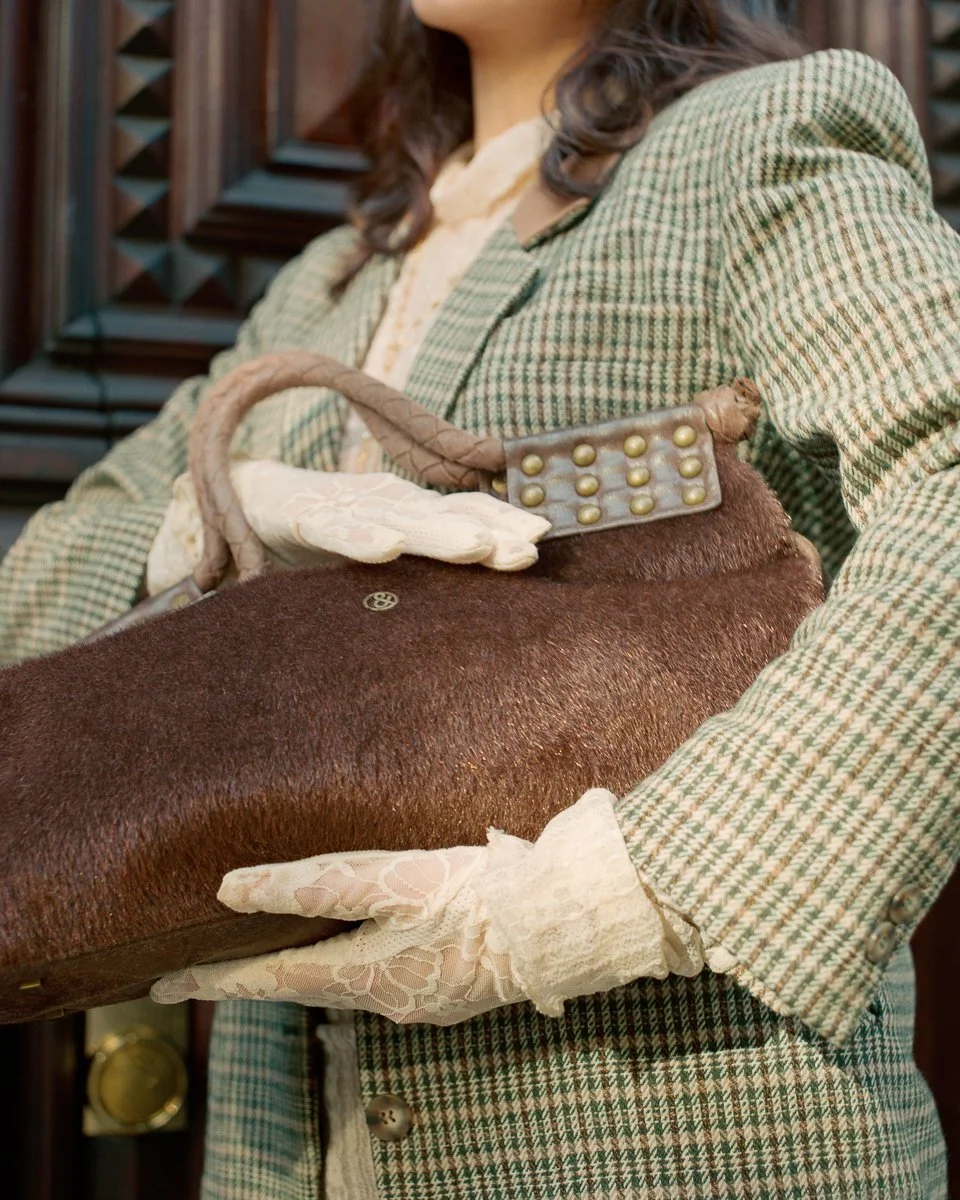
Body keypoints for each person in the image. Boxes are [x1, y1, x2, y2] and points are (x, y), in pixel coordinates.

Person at [1, 0, 956, 1196]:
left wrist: (620, 893)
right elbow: (26, 596)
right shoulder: (329, 282)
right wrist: (227, 502)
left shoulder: (757, 137)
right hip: (282, 1155)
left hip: (668, 1136)